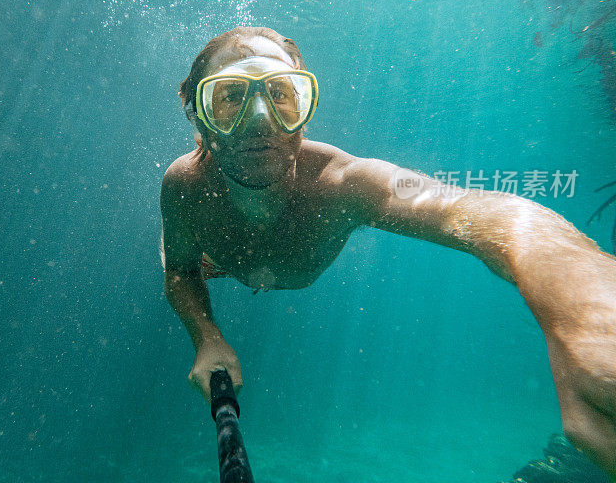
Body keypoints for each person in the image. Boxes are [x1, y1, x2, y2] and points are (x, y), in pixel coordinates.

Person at [160, 26, 616, 479]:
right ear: (200, 118)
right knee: (187, 256)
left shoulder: (347, 183)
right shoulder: (182, 187)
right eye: (230, 97)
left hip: (254, 259)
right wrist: (207, 338)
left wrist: (588, 312)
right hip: (219, 260)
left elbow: (484, 210)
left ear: (305, 110)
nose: (259, 119)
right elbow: (180, 269)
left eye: (281, 93)